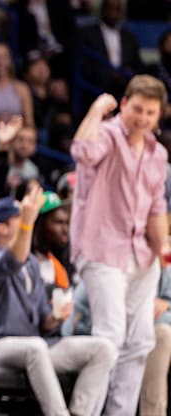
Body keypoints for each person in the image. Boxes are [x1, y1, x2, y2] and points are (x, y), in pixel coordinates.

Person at [71, 76, 169, 416]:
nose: (142, 118)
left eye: (150, 113)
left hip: (141, 253)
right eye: (137, 109)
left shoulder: (158, 154)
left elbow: (156, 208)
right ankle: (84, 412)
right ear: (125, 104)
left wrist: (162, 252)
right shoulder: (107, 134)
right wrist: (98, 109)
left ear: (159, 116)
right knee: (109, 337)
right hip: (101, 249)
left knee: (140, 342)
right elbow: (82, 152)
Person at [0, 189, 116, 416]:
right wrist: (28, 223)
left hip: (35, 346)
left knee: (103, 349)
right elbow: (11, 261)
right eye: (20, 218)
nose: (29, 222)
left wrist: (55, 318)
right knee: (35, 347)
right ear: (2, 228)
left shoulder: (31, 264)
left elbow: (43, 322)